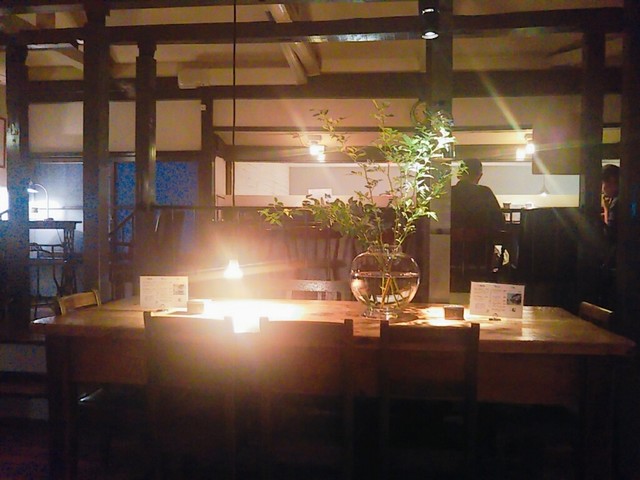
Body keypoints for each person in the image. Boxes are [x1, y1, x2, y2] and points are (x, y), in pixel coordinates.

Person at [450, 158, 505, 290]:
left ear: (458, 174)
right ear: (479, 176)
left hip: (451, 255)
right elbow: (499, 221)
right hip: (480, 255)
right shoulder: (485, 193)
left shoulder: (448, 193)